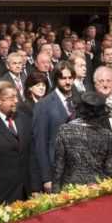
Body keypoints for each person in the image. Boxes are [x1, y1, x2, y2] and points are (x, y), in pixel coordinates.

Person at [0, 81, 36, 205]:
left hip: (27, 189)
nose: (16, 101)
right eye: (11, 98)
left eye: (16, 97)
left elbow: (31, 153)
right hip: (2, 192)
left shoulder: (24, 118)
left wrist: (35, 186)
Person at [51, 92, 112, 190]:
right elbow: (111, 169)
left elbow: (58, 166)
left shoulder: (65, 130)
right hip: (98, 187)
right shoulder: (106, 134)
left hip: (72, 189)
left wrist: (55, 192)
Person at [32, 62, 77, 192]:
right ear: (56, 79)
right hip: (56, 169)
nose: (67, 82)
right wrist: (46, 178)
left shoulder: (78, 100)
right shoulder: (43, 105)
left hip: (78, 169)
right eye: (63, 78)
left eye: (70, 78)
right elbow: (40, 143)